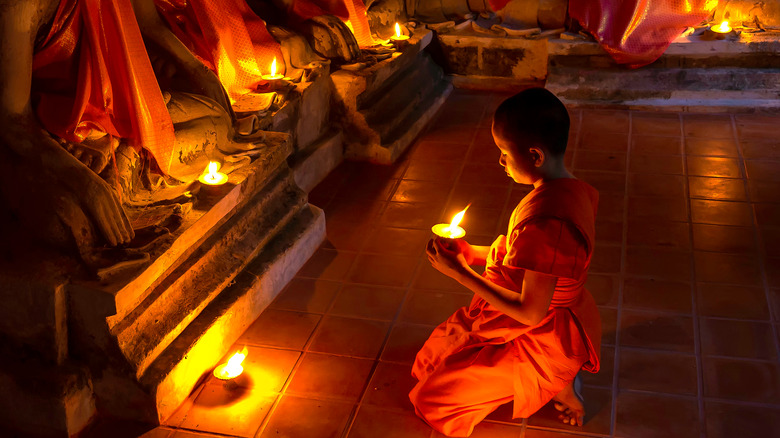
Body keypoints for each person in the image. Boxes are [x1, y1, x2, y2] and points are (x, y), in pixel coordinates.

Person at [409, 88, 602, 437]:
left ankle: (559, 379)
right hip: (519, 317)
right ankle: (553, 377)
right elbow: (521, 263)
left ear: (534, 155)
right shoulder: (566, 189)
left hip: (541, 337)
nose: (500, 162)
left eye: (503, 153)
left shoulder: (550, 221)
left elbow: (530, 312)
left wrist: (460, 273)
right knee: (427, 362)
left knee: (430, 400)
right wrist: (472, 254)